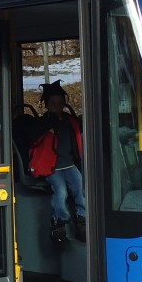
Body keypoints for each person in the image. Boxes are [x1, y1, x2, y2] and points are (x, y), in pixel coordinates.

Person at [35, 81, 86, 243]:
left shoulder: (70, 121)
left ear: (64, 103)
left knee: (81, 189)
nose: (56, 106)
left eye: (59, 103)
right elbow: (33, 135)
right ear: (47, 105)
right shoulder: (43, 124)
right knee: (61, 192)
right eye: (52, 103)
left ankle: (83, 218)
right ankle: (59, 220)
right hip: (53, 168)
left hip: (69, 164)